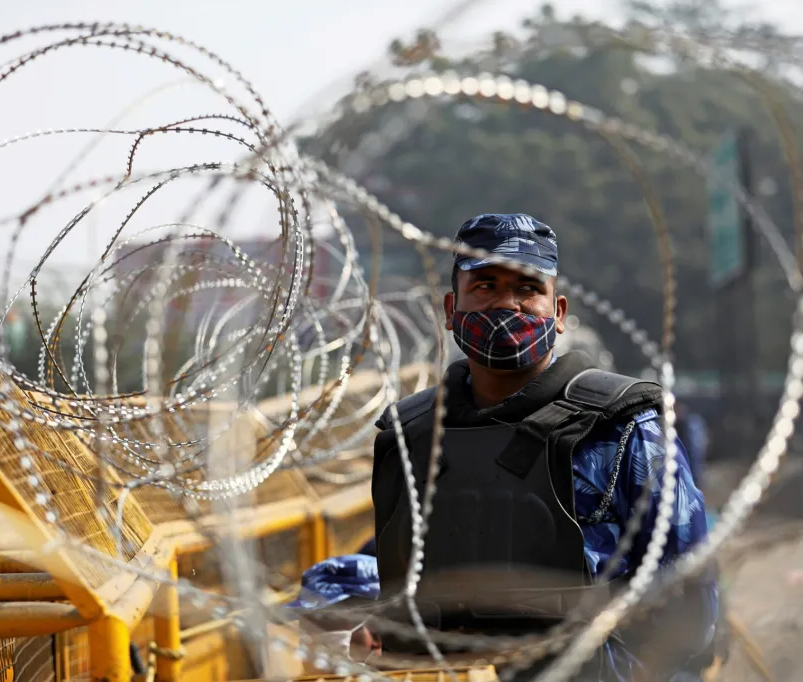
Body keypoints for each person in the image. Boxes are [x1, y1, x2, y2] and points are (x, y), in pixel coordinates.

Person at [292, 214, 718, 681]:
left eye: (527, 289)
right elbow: (393, 566)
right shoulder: (415, 437)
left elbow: (688, 596)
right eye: (486, 286)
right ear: (452, 309)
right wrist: (345, 609)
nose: (506, 305)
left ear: (556, 313)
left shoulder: (623, 429)